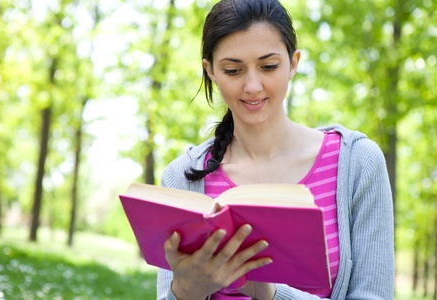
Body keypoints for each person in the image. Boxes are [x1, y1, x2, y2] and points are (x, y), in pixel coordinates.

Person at [157, 0, 395, 299]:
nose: (253, 85)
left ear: (293, 63)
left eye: (268, 66)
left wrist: (270, 293)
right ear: (211, 71)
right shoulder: (184, 178)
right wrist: (184, 292)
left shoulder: (358, 163)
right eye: (233, 70)